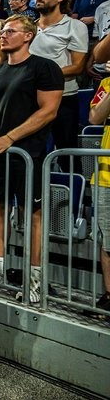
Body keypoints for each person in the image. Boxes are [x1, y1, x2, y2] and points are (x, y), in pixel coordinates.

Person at [0, 15, 64, 303]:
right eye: (3, 31)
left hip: (29, 153)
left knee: (33, 215)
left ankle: (35, 279)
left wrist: (11, 137)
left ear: (28, 36)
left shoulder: (44, 67)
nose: (3, 36)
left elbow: (48, 111)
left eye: (10, 31)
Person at [30, 0, 89, 164]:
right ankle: (36, 193)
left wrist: (40, 77)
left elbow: (78, 67)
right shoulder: (29, 27)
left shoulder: (74, 26)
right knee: (33, 154)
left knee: (66, 156)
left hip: (63, 97)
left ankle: (72, 191)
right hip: (31, 98)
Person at [88, 66, 110, 313]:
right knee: (107, 238)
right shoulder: (106, 84)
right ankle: (108, 293)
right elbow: (94, 118)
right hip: (105, 174)